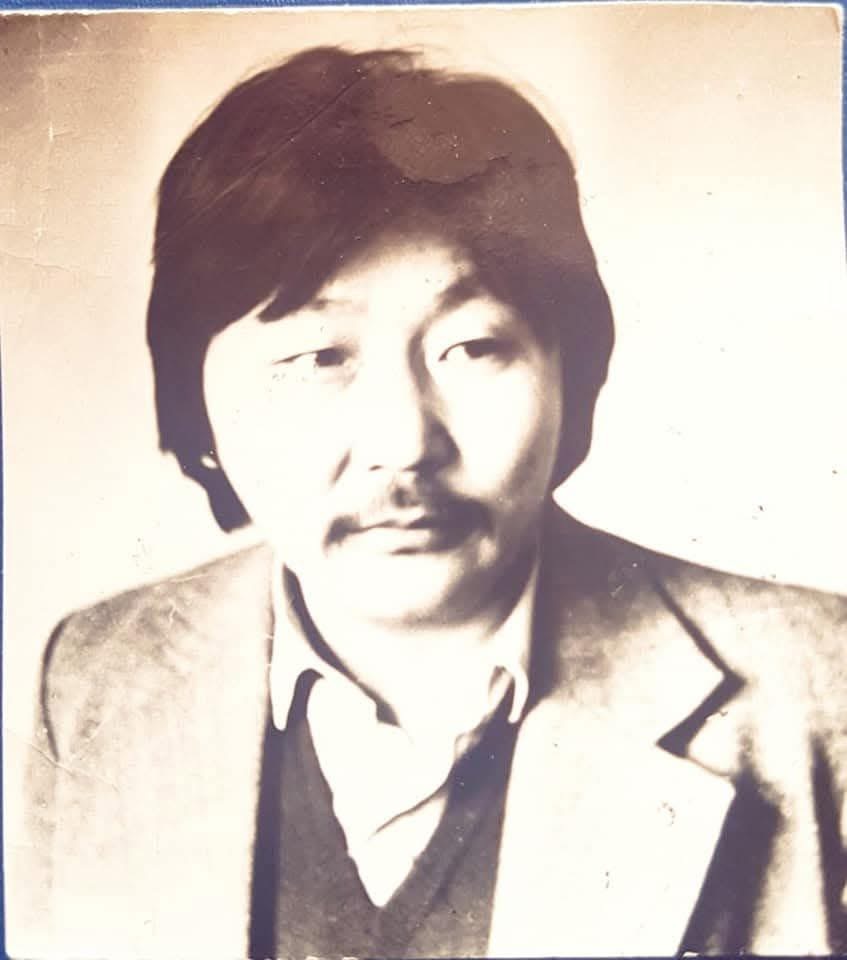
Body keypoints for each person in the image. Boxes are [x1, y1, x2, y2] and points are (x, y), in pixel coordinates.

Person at [11, 45, 847, 959]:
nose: (405, 440)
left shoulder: (817, 685)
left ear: (574, 372)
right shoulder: (98, 674)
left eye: (472, 347)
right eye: (318, 357)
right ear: (194, 404)